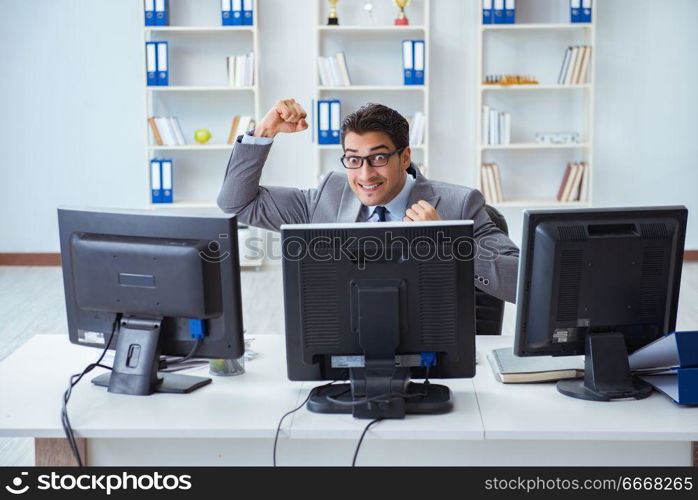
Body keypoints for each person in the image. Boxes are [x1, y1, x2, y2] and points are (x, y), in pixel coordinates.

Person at [218, 99, 519, 303]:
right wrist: (264, 132)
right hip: (344, 349)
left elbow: (523, 282)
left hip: (433, 354)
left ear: (404, 157)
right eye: (353, 159)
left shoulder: (460, 203)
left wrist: (447, 244)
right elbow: (237, 204)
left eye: (378, 157)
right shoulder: (328, 196)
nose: (365, 174)